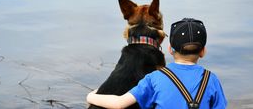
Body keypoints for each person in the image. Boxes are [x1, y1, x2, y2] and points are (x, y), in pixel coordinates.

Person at [86, 18, 227, 109]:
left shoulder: (154, 78)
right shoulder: (211, 79)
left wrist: (91, 96)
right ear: (203, 51)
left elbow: (119, 104)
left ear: (170, 49)